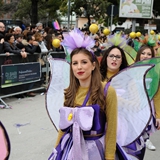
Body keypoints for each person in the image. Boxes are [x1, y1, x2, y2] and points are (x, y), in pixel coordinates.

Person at [48, 29, 117, 160]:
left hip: (96, 151)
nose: (79, 67)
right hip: (71, 150)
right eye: (75, 63)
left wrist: (109, 157)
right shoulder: (69, 92)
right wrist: (56, 151)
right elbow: (63, 128)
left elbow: (112, 129)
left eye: (84, 62)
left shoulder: (107, 90)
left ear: (93, 65)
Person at [135, 44, 160, 151]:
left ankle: (146, 138)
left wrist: (158, 115)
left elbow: (157, 96)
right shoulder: (131, 69)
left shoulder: (154, 74)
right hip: (134, 105)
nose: (145, 56)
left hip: (148, 105)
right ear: (139, 55)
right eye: (143, 53)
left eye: (149, 54)